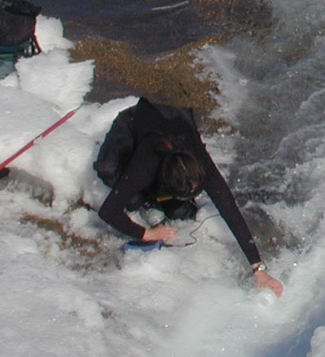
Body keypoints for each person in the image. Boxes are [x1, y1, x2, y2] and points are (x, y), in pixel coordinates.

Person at [94, 97, 283, 295]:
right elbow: (109, 211)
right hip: (134, 124)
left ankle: (167, 200)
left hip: (176, 119)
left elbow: (230, 210)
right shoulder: (146, 165)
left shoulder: (201, 164)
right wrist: (147, 233)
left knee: (180, 212)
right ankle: (149, 199)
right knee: (119, 182)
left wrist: (258, 268)